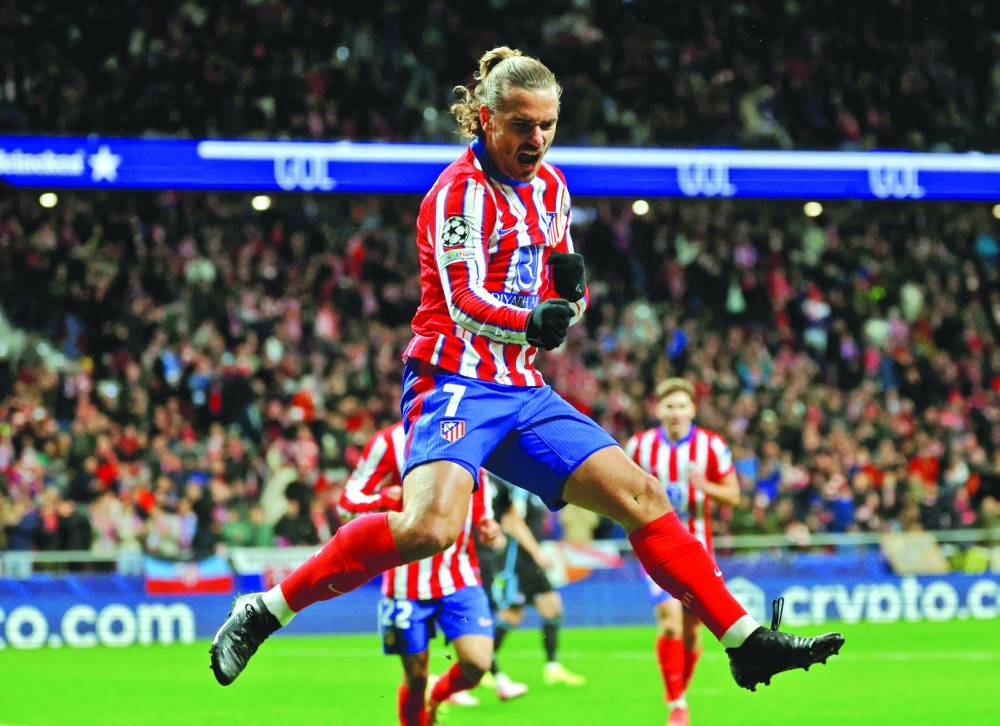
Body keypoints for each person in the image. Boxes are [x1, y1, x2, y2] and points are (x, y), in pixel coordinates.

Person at [210, 46, 844, 701]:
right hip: (453, 379)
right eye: (521, 124)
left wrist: (571, 302)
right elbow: (464, 302)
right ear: (486, 119)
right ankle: (264, 610)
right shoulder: (456, 195)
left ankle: (744, 642)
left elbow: (563, 298)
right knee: (429, 528)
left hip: (521, 388)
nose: (535, 139)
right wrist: (535, 323)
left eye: (546, 125)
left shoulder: (553, 188)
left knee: (644, 497)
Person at [338, 421, 500, 724]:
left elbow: (475, 483)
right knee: (415, 678)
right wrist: (387, 498)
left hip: (458, 577)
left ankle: (437, 696)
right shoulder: (388, 442)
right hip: (404, 582)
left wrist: (486, 522)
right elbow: (347, 503)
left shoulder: (471, 430)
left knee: (478, 663)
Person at [625, 377, 742, 726]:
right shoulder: (639, 447)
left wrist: (704, 486)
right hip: (655, 547)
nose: (675, 412)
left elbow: (733, 495)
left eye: (681, 406)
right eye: (669, 406)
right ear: (658, 410)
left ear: (692, 409)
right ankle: (676, 703)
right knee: (670, 624)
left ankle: (679, 693)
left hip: (698, 549)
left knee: (693, 632)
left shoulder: (712, 446)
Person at [478, 472, 586, 692]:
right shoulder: (517, 485)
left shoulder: (531, 486)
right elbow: (512, 521)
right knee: (533, 609)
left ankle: (550, 667)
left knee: (520, 613)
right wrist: (537, 553)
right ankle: (482, 665)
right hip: (520, 559)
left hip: (525, 558)